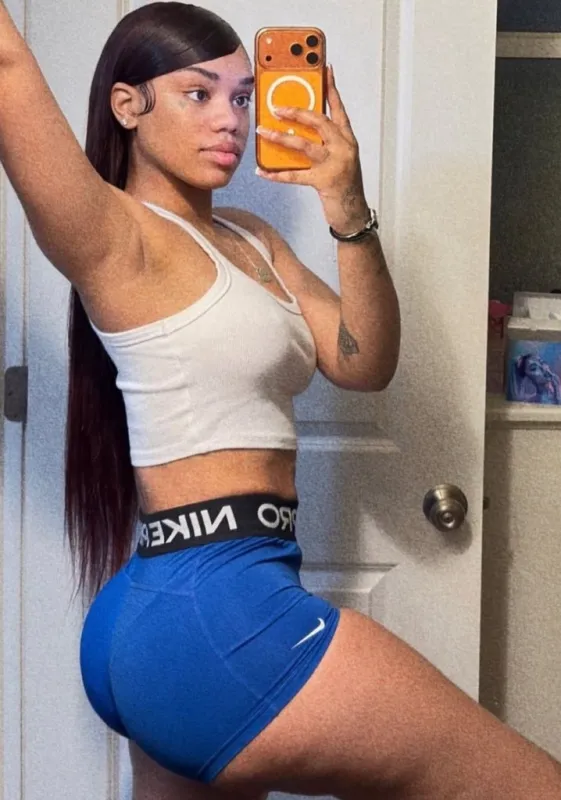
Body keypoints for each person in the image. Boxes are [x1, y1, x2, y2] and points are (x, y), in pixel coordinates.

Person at [1, 2, 560, 798]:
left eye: (243, 96)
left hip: (178, 607)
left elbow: (362, 362)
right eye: (198, 93)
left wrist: (346, 207)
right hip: (212, 610)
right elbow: (8, 66)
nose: (229, 118)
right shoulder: (113, 236)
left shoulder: (250, 239)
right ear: (128, 105)